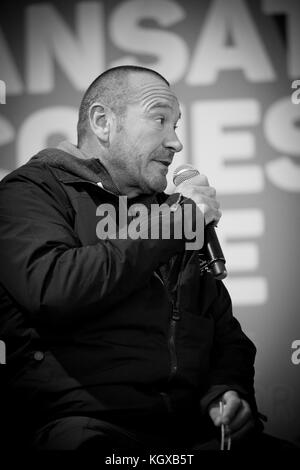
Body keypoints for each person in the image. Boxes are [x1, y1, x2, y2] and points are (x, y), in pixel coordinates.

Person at [0, 65, 293, 452]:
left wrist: (228, 389)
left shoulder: (171, 214)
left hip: (189, 429)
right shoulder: (30, 193)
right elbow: (54, 289)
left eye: (176, 125)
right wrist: (170, 228)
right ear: (103, 122)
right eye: (159, 120)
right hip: (83, 423)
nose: (175, 143)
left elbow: (223, 329)